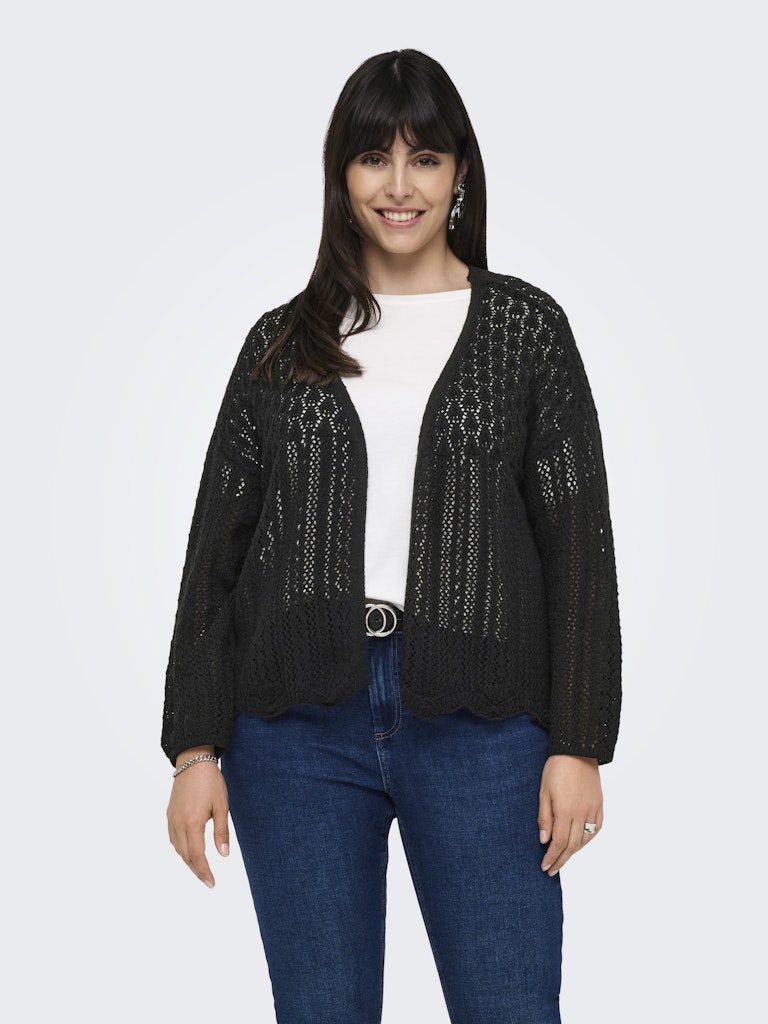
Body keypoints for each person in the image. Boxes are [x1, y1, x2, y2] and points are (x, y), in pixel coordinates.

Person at [163, 48, 621, 1024]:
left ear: (461, 173)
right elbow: (217, 555)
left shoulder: (525, 331)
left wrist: (580, 743)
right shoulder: (281, 344)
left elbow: (579, 548)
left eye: (426, 157)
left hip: (485, 726)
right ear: (342, 174)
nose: (400, 185)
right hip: (293, 730)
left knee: (510, 1007)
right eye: (374, 157)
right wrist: (194, 749)